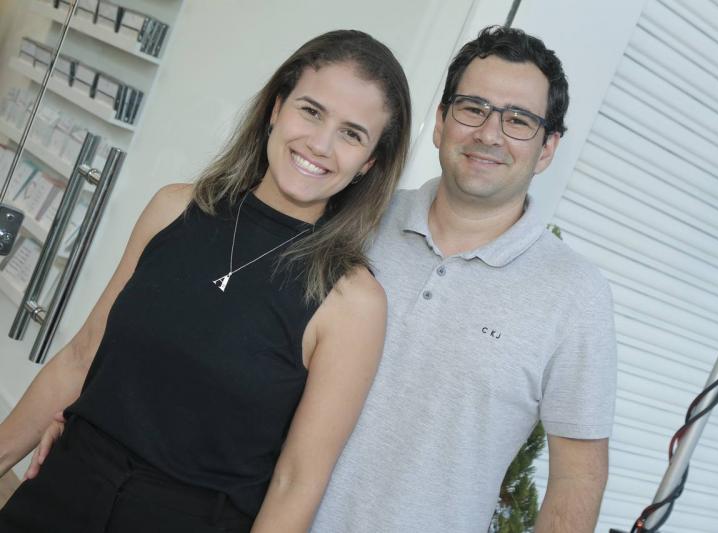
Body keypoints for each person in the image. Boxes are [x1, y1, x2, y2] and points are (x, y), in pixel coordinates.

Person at [0, 29, 411, 533]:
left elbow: (296, 482)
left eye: (352, 134)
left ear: (369, 162)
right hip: (63, 487)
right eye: (311, 111)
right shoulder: (173, 209)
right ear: (276, 109)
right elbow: (80, 358)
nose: (320, 144)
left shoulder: (352, 302)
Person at [310, 26, 617, 532]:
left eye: (519, 120)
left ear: (547, 149)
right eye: (473, 108)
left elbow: (578, 476)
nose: (489, 134)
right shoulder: (356, 218)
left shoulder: (575, 293)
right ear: (441, 122)